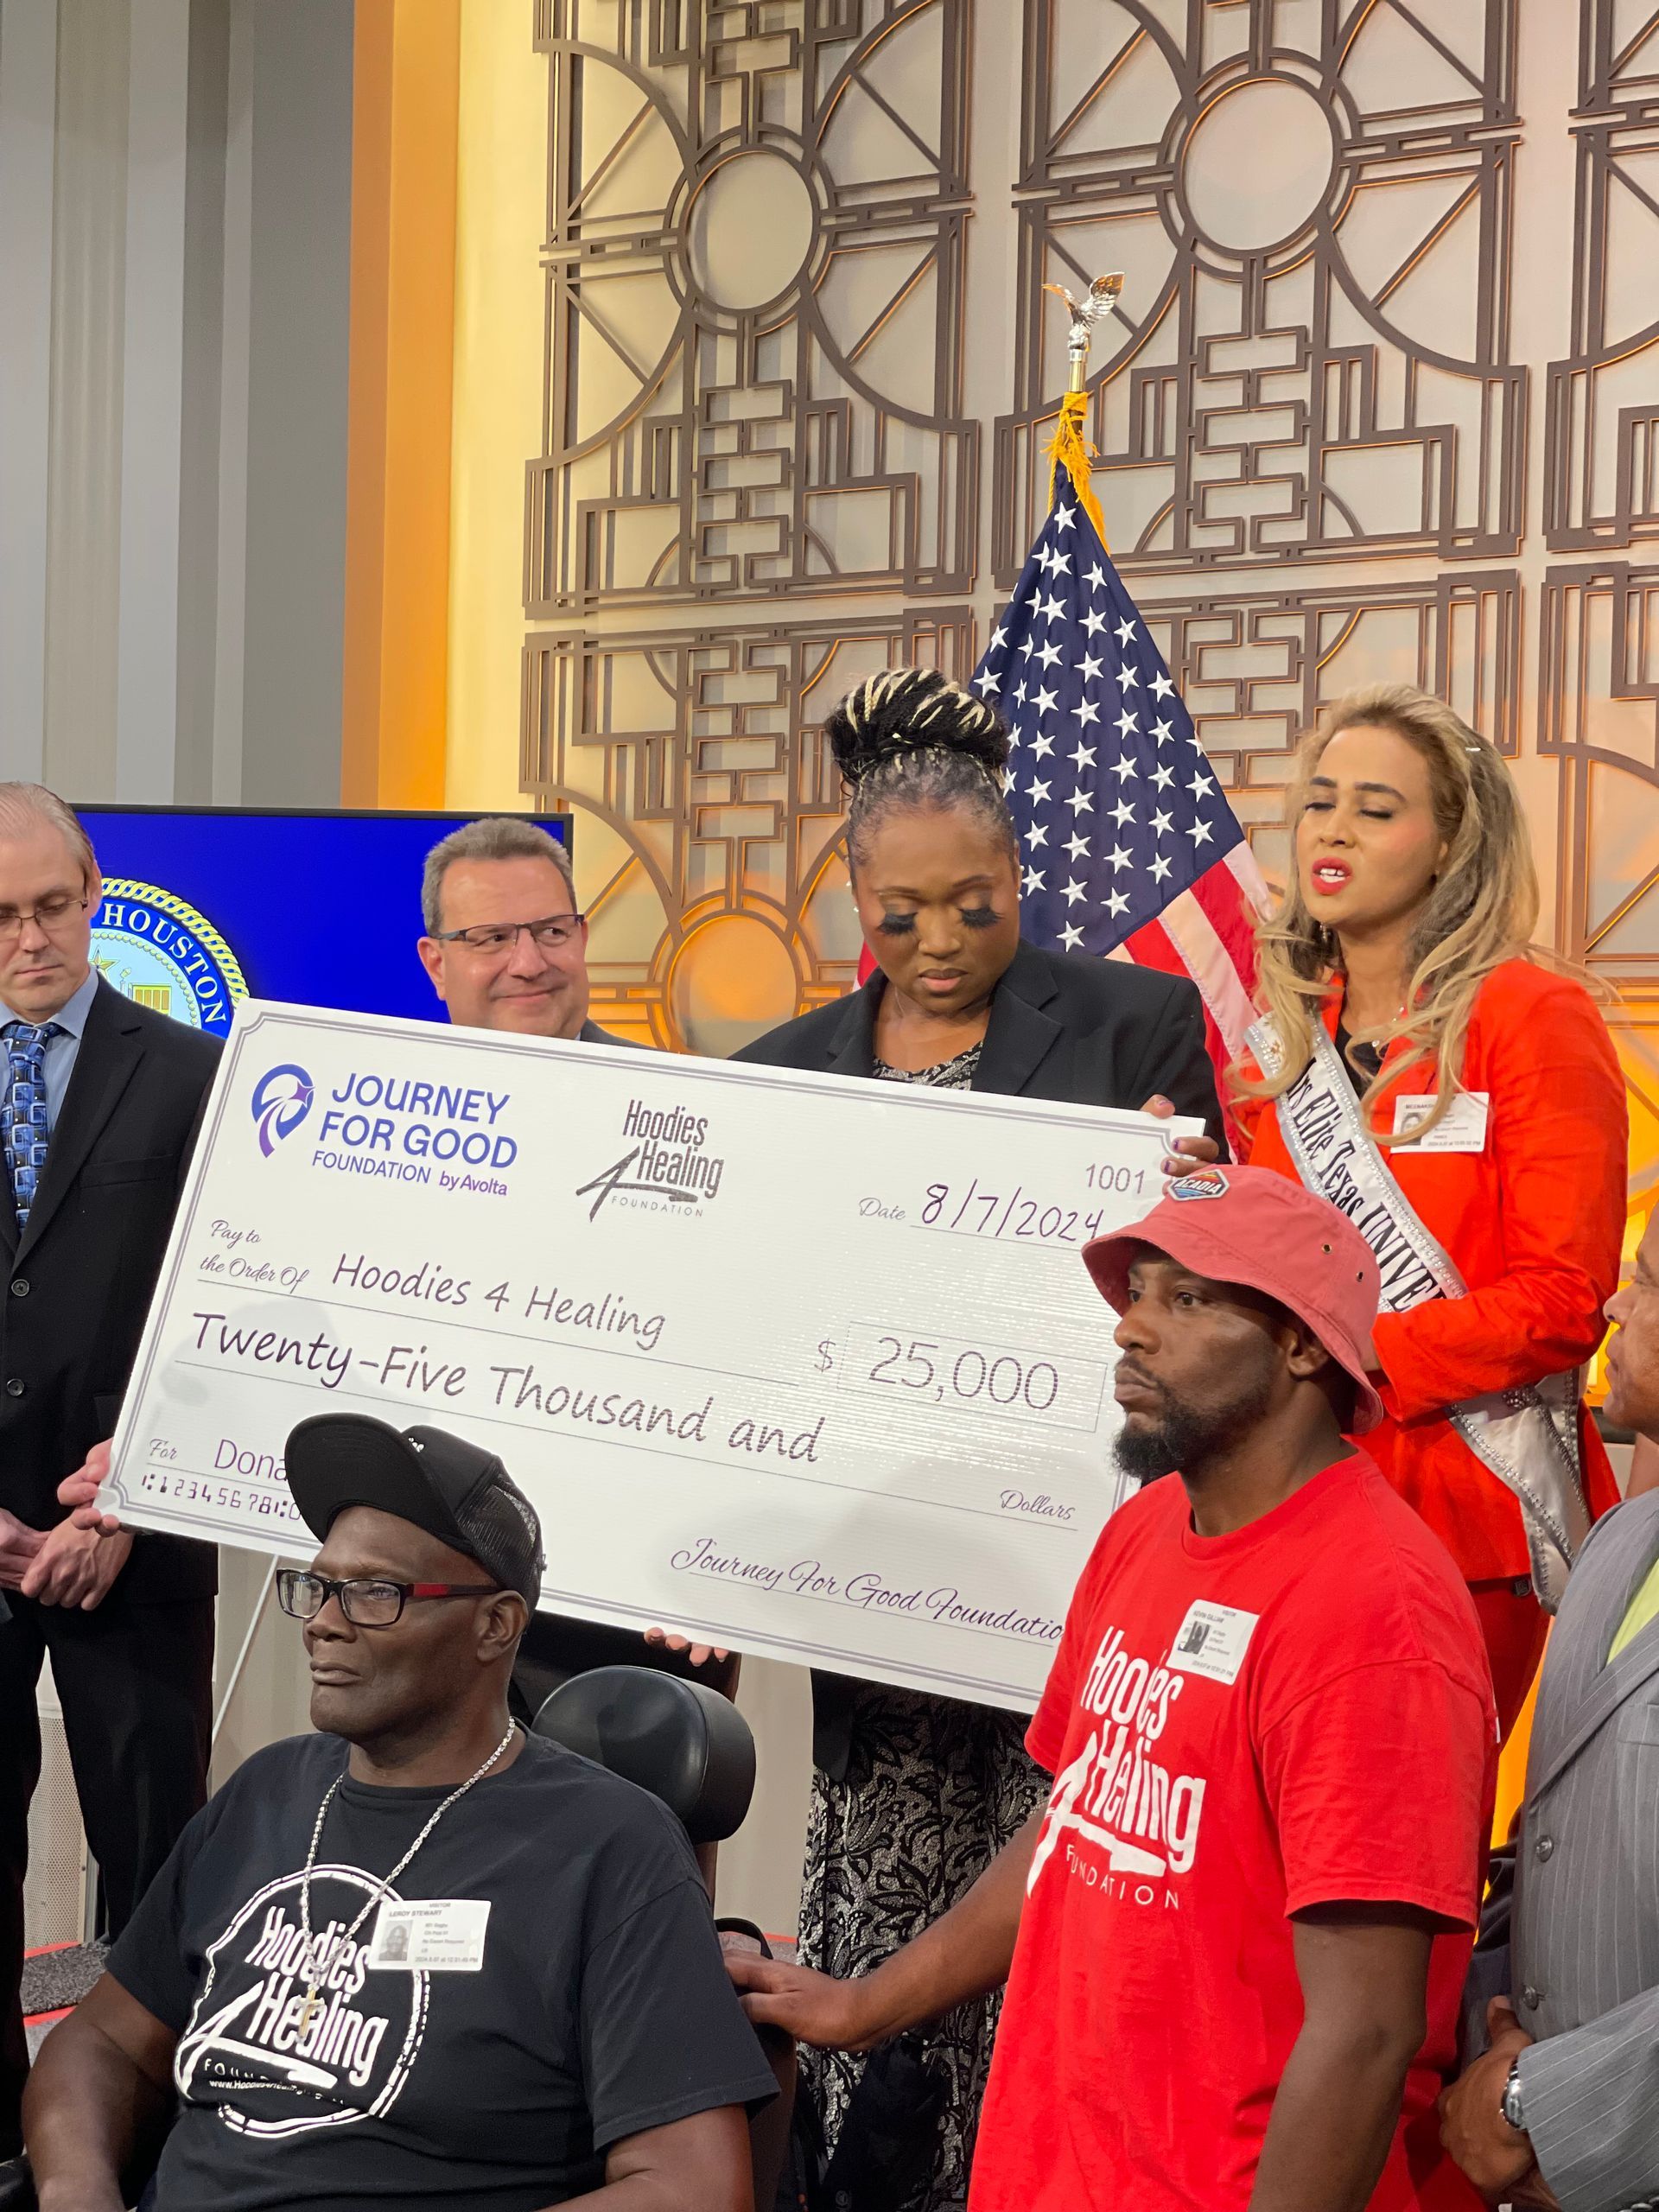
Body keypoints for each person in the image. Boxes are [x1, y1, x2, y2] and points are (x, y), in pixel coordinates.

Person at [729, 1166, 1497, 2212]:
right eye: (1137, 1292)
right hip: (1051, 2172)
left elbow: (1368, 2030)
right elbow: (1075, 1823)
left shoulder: (1376, 1610)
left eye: (1189, 1298)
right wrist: (868, 2004)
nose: (1132, 1330)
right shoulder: (1144, 1527)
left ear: (1304, 1344)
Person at [711, 667, 1225, 2206]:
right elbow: (738, 1332)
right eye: (903, 914)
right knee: (875, 1970)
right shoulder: (779, 1078)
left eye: (976, 907)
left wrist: (1176, 1186)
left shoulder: (1140, 1022)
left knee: (1067, 1945)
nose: (941, 944)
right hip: (876, 1589)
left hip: (1077, 1579)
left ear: (1024, 880)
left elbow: (1201, 1287)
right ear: (852, 898)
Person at [24, 1413, 775, 2212]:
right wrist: (77, 2190)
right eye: (317, 1587)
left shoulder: (610, 1847)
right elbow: (102, 2041)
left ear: (496, 1625)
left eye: (374, 1593)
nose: (321, 1622)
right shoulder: (266, 1794)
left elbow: (693, 2186)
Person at [1231, 683, 1626, 1738]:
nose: (1335, 831)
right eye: (1320, 803)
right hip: (1283, 1495)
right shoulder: (1282, 1047)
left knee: (1390, 1856)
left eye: (1376, 807)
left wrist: (1347, 1349)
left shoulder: (1530, 1016)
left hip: (1458, 1510)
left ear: (1449, 845)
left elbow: (1563, 1299)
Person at [0, 786, 220, 2170]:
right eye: (0, 916)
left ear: (95, 891)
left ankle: (146, 2145)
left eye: (49, 905)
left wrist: (128, 1495)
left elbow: (231, 1305)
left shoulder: (199, 1073)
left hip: (136, 1538)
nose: (29, 938)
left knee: (156, 1855)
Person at [1438, 1204, 1659, 2212]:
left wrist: (1538, 2104)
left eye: (1649, 1283)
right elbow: (1553, 1845)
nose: (1616, 1304)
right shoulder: (1617, 1540)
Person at [416, 813, 632, 1045]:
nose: (529, 966)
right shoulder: (388, 1077)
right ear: (437, 966)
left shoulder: (668, 1081)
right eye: (495, 938)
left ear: (581, 941)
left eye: (552, 932)